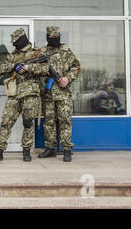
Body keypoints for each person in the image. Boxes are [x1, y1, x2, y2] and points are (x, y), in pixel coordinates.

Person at [0, 28, 49, 163]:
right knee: (6, 121)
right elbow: (1, 68)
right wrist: (14, 66)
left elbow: (45, 69)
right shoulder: (13, 55)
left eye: (15, 42)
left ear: (21, 40)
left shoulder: (37, 54)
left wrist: (29, 68)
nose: (14, 45)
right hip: (14, 94)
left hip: (30, 93)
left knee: (28, 123)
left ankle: (26, 151)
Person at [38, 26, 81, 162]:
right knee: (49, 122)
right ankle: (50, 148)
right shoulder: (42, 52)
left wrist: (67, 78)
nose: (54, 41)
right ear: (47, 37)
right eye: (51, 38)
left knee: (65, 121)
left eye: (56, 38)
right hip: (48, 94)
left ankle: (67, 149)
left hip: (63, 93)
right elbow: (37, 69)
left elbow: (76, 66)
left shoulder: (66, 50)